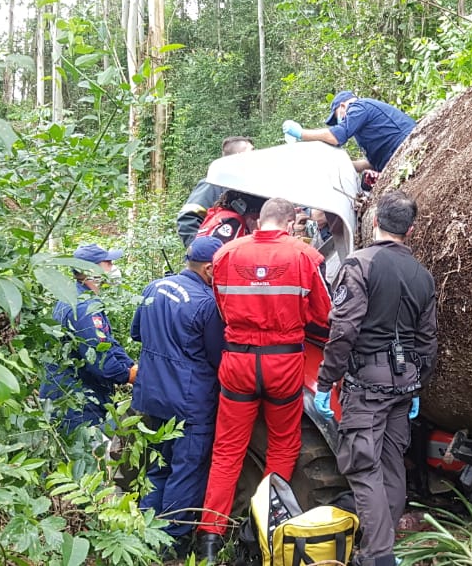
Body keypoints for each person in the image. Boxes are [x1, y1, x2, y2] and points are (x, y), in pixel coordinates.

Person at [195, 198, 333, 561]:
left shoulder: (225, 254)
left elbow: (222, 306)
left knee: (227, 450)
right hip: (283, 362)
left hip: (238, 361)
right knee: (284, 446)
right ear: (288, 224)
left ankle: (209, 540)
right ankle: (259, 530)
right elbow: (324, 313)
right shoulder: (304, 256)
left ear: (260, 221)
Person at [311, 191, 437, 566]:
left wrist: (325, 380)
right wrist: (418, 383)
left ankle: (379, 555)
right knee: (390, 462)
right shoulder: (423, 275)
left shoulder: (360, 264)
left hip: (368, 384)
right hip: (404, 383)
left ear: (375, 222)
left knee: (363, 465)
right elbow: (428, 338)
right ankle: (387, 547)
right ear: (410, 230)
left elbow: (344, 328)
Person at [129, 236, 227, 559]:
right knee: (186, 470)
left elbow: (136, 333)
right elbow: (217, 356)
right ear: (210, 269)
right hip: (190, 403)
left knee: (157, 466)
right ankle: (171, 543)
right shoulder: (206, 304)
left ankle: (144, 534)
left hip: (151, 397)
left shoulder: (153, 287)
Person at [40, 244, 138, 433]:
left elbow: (106, 342)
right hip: (76, 401)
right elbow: (101, 361)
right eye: (108, 262)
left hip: (70, 393)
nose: (113, 267)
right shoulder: (84, 309)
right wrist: (128, 375)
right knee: (87, 456)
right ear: (91, 270)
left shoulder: (77, 296)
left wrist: (129, 363)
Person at [281, 91, 416, 174]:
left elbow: (336, 136)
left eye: (337, 117)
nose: (340, 122)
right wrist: (341, 165)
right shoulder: (362, 130)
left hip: (406, 145)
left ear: (343, 106)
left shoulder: (359, 107)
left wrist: (301, 133)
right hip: (392, 159)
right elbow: (371, 163)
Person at [177, 136, 255, 247]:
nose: (256, 155)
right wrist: (201, 252)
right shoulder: (213, 184)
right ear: (238, 157)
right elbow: (188, 219)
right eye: (252, 151)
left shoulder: (252, 186)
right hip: (218, 259)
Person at [196, 189, 267, 244]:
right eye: (256, 213)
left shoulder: (221, 216)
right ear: (241, 206)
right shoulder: (233, 221)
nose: (256, 219)